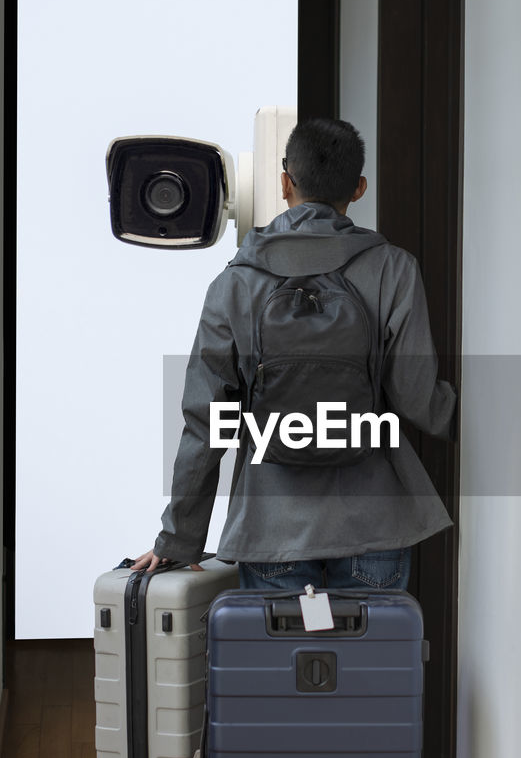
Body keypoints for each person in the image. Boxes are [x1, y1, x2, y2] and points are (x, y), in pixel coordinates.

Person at [132, 117, 456, 591]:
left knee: (277, 665)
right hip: (375, 522)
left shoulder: (236, 283)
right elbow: (416, 398)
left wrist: (178, 539)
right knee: (375, 662)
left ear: (286, 182)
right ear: (359, 187)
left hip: (270, 525)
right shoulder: (393, 269)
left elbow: (205, 422)